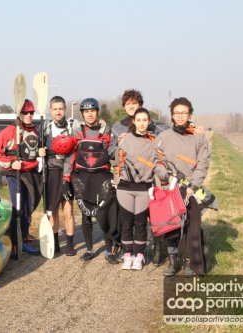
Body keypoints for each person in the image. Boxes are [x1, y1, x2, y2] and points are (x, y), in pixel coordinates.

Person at [111, 89, 169, 265]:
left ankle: (143, 253)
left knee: (142, 222)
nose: (141, 123)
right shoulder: (120, 133)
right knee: (126, 222)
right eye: (128, 104)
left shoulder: (155, 136)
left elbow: (161, 158)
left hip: (145, 186)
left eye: (144, 120)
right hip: (125, 186)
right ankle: (127, 253)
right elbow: (115, 159)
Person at [154, 97, 211, 276]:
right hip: (169, 188)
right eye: (177, 113)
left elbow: (203, 164)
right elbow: (157, 163)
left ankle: (192, 264)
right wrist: (167, 176)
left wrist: (193, 186)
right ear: (171, 115)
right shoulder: (162, 137)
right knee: (171, 226)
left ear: (190, 114)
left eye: (184, 113)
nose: (180, 116)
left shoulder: (199, 137)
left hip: (191, 189)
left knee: (192, 224)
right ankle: (172, 263)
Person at [63, 98, 118, 262]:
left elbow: (115, 153)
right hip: (82, 177)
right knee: (86, 215)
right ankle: (89, 249)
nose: (90, 114)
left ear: (97, 112)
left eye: (92, 111)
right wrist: (66, 179)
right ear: (82, 114)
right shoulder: (77, 132)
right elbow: (70, 157)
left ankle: (108, 250)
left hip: (102, 177)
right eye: (86, 111)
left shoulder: (107, 131)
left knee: (105, 215)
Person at [0, 99, 45, 257]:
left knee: (29, 207)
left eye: (31, 113)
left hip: (31, 173)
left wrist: (41, 154)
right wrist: (11, 162)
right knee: (18, 208)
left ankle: (24, 238)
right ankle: (14, 242)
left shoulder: (35, 131)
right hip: (15, 174)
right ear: (19, 114)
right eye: (25, 112)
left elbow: (35, 151)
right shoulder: (10, 131)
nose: (28, 115)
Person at [41, 96, 80, 256]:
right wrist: (40, 151)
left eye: (61, 109)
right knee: (53, 211)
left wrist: (67, 176)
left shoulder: (73, 125)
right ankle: (55, 242)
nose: (58, 112)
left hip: (68, 172)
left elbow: (76, 149)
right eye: (55, 109)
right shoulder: (45, 127)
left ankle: (70, 244)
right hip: (51, 173)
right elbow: (37, 147)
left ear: (65, 109)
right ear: (51, 110)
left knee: (68, 210)